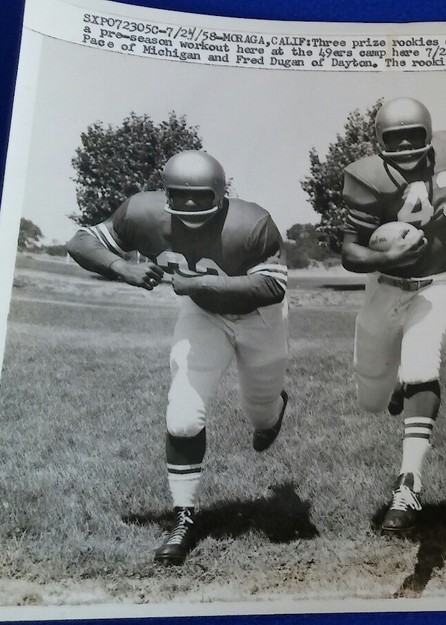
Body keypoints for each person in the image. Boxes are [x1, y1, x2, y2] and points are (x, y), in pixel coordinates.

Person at [66, 150, 290, 564]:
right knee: (183, 415)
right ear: (164, 191)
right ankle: (183, 516)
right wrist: (121, 267)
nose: (188, 205)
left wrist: (196, 286)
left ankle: (273, 412)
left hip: (260, 319)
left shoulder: (251, 221)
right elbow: (79, 241)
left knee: (259, 412)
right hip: (203, 318)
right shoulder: (141, 211)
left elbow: (272, 287)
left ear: (220, 194)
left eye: (199, 196)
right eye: (179, 196)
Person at [340, 97, 446, 533]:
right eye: (393, 139)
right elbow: (349, 251)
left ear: (429, 133)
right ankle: (394, 383)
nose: (404, 146)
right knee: (370, 399)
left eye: (412, 137)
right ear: (379, 142)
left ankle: (408, 484)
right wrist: (389, 256)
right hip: (384, 289)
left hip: (436, 285)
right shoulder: (366, 179)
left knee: (422, 366)